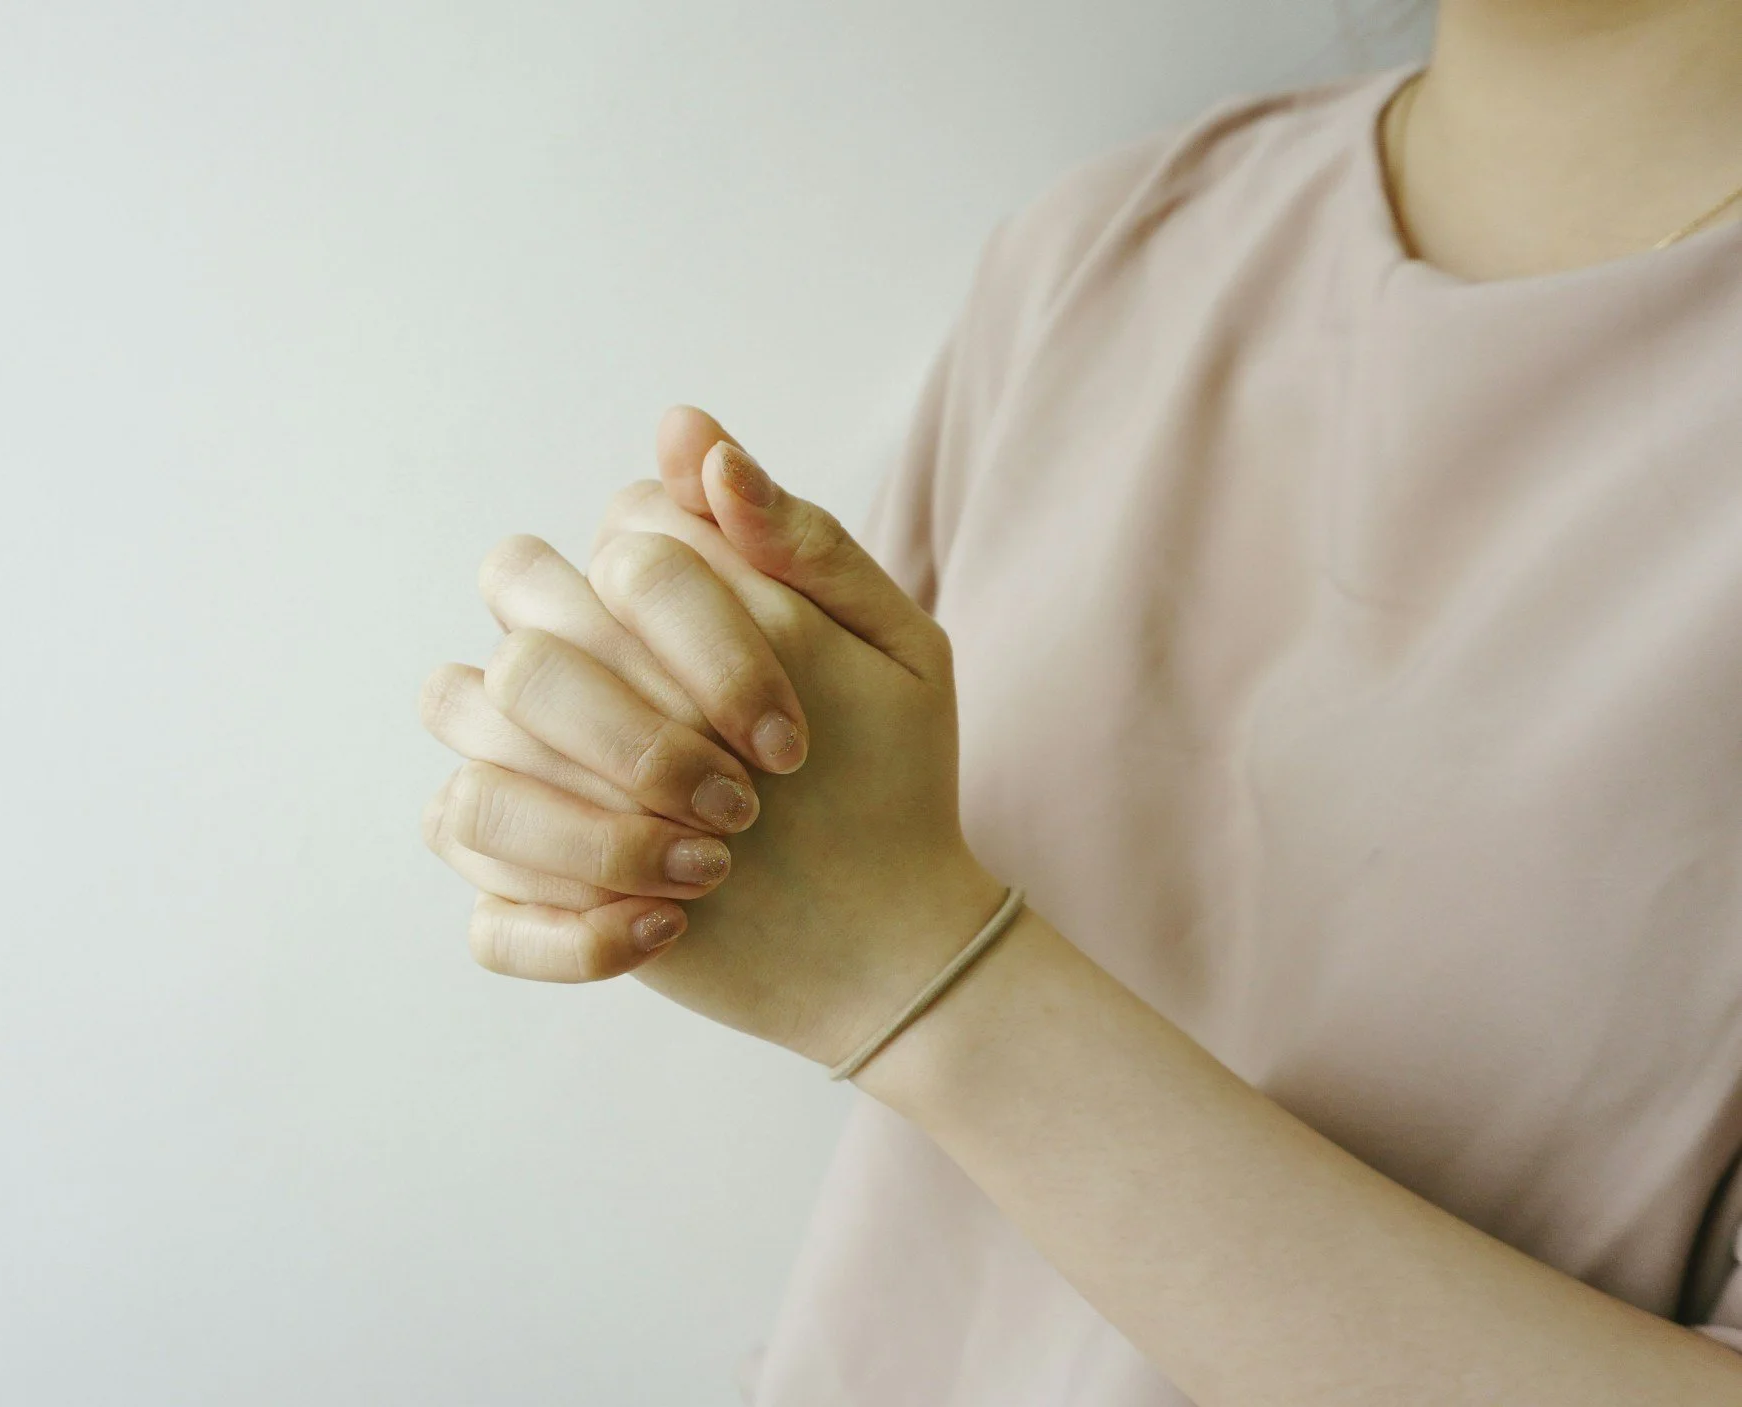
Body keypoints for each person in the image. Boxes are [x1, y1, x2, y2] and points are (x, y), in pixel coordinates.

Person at [414, 4, 1742, 1404]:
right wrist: (650, 780)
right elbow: (822, 882)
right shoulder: (1101, 254)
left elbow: (883, 937)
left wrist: (922, 974)